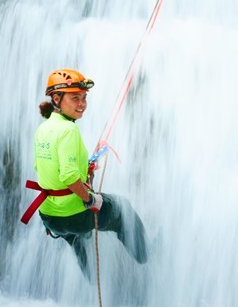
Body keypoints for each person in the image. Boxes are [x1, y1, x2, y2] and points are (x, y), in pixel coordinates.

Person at [23, 68, 148, 279]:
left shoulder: (43, 129)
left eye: (83, 98)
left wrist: (85, 170)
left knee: (75, 235)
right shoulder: (69, 131)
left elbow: (47, 169)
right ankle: (146, 255)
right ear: (56, 98)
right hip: (73, 214)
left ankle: (90, 276)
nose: (82, 104)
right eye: (75, 98)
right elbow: (69, 177)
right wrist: (91, 199)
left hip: (50, 216)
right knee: (122, 210)